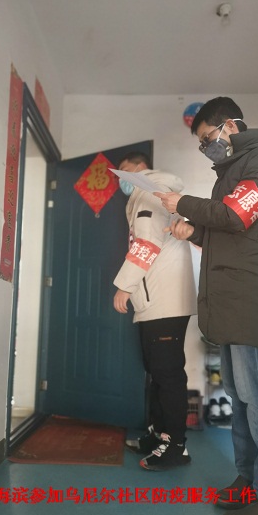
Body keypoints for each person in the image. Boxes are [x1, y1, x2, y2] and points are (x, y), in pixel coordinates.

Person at [155, 97, 258, 515]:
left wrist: (183, 203)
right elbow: (229, 230)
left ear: (230, 126)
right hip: (233, 294)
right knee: (240, 396)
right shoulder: (235, 168)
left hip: (249, 292)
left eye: (207, 139)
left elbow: (237, 215)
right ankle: (250, 483)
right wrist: (193, 230)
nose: (207, 148)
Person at [113, 151, 197, 471]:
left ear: (140, 168)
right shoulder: (146, 193)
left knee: (167, 375)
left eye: (124, 171)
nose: (121, 179)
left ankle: (176, 447)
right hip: (156, 300)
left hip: (164, 300)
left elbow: (147, 243)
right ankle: (160, 435)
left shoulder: (149, 190)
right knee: (158, 373)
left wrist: (125, 286)